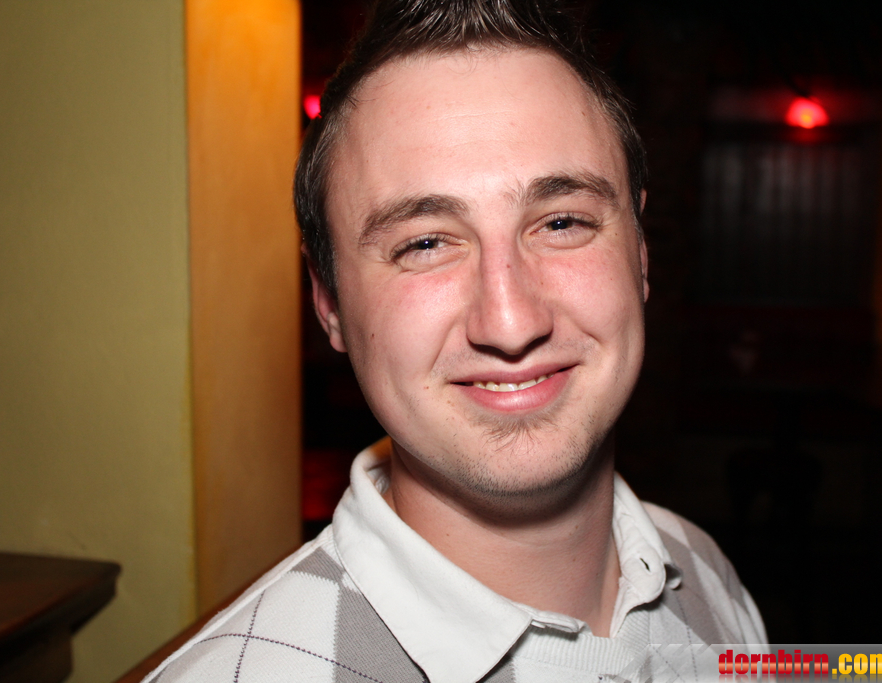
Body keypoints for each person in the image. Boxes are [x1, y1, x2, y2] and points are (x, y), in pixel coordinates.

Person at [145, 0, 766, 681]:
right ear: (328, 302)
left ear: (640, 253)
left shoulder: (707, 576)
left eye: (562, 222)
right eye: (425, 243)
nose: (511, 322)